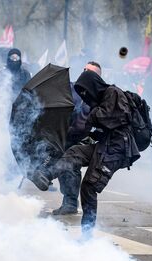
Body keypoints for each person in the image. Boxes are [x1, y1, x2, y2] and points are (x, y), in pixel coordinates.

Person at [31, 70, 141, 232]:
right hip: (106, 143)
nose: (84, 95)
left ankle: (87, 234)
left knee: (89, 186)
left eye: (85, 91)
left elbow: (109, 118)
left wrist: (91, 112)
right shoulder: (100, 99)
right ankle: (45, 176)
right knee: (75, 153)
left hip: (118, 148)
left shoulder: (113, 93)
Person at [53, 61, 102, 215]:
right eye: (84, 69)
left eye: (91, 72)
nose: (85, 73)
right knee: (61, 166)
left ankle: (70, 202)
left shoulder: (101, 95)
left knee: (71, 165)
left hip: (85, 139)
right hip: (65, 134)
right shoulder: (70, 88)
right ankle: (67, 199)